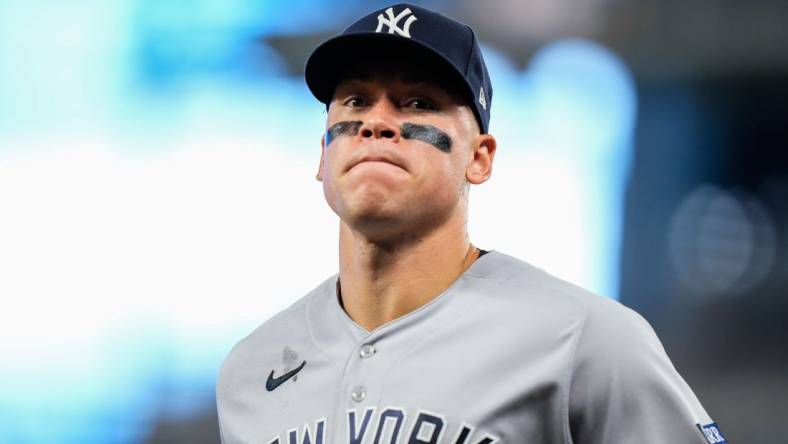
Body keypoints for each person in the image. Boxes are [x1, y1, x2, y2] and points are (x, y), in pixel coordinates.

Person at [216, 4, 726, 444]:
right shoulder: (249, 370)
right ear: (323, 156)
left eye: (418, 102)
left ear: (479, 158)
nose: (376, 121)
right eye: (355, 100)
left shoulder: (585, 339)